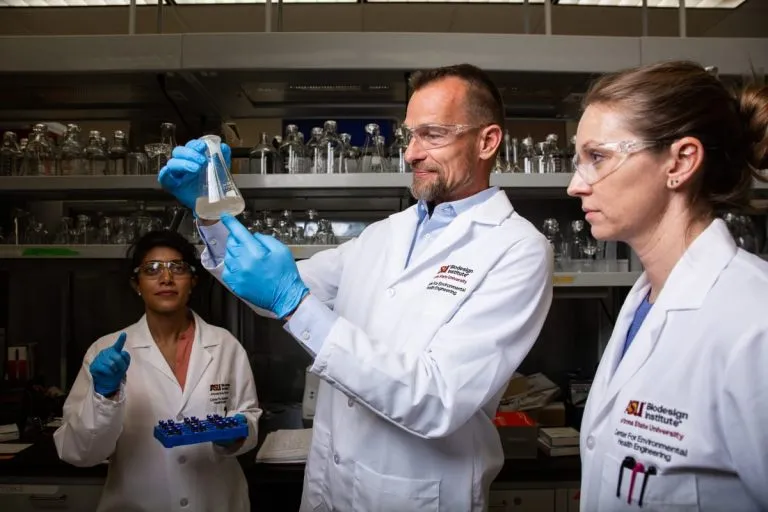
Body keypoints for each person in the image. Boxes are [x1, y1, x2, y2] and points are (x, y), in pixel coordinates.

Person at [159, 63, 553, 511]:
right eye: (411, 135)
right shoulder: (386, 233)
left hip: (419, 496)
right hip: (329, 488)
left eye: (433, 135)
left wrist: (294, 305)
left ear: (487, 141)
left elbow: (438, 399)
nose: (411, 154)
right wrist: (209, 211)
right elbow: (269, 287)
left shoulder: (516, 248)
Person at [567, 60, 768, 511]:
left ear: (679, 161)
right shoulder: (644, 301)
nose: (574, 186)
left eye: (596, 158)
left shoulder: (755, 322)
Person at [54, 230, 261, 512]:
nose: (166, 278)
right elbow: (79, 452)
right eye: (152, 269)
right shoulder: (104, 352)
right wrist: (104, 395)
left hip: (216, 502)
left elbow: (249, 419)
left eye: (177, 268)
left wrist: (236, 434)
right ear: (136, 284)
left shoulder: (225, 345)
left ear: (193, 282)